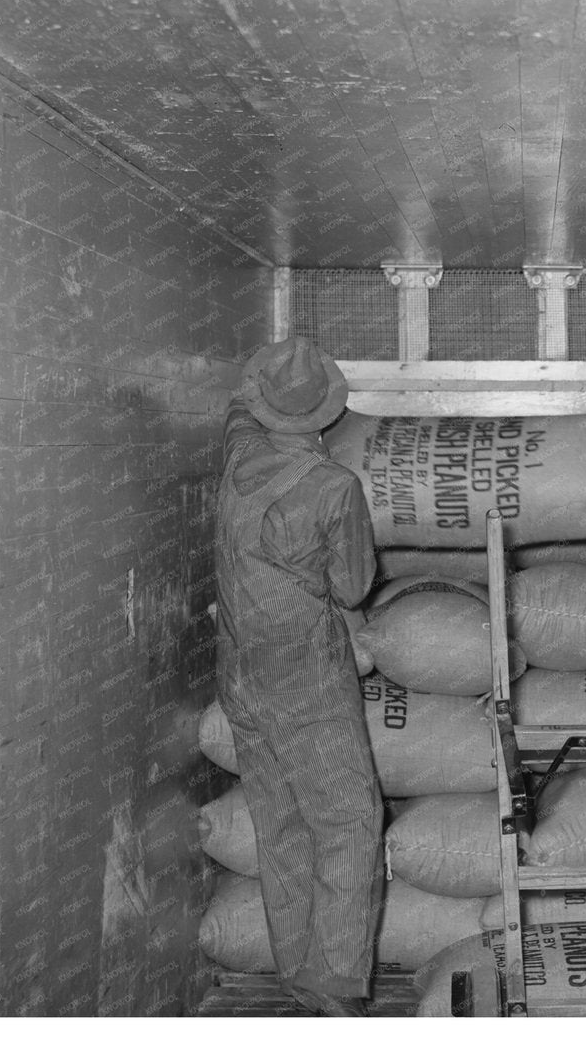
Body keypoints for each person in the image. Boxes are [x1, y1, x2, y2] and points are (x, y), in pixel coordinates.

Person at [213, 336, 382, 1017]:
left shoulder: (236, 460)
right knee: (350, 822)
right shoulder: (335, 487)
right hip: (303, 675)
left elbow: (237, 413)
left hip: (239, 672)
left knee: (281, 820)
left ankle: (299, 971)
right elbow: (351, 586)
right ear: (326, 413)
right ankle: (337, 980)